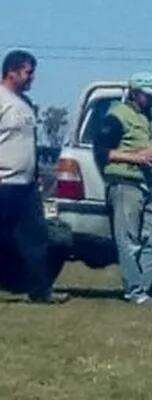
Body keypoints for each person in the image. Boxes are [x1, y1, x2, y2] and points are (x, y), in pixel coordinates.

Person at [94, 72, 152, 305]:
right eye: (147, 95)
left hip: (143, 186)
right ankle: (135, 292)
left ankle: (140, 288)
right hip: (124, 183)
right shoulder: (117, 115)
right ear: (134, 93)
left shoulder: (145, 118)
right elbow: (102, 151)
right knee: (128, 240)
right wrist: (137, 158)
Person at [0, 50, 64, 304]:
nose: (32, 78)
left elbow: (30, 143)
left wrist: (36, 173)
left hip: (25, 187)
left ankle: (39, 291)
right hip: (3, 185)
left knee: (36, 238)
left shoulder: (25, 104)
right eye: (28, 72)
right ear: (12, 71)